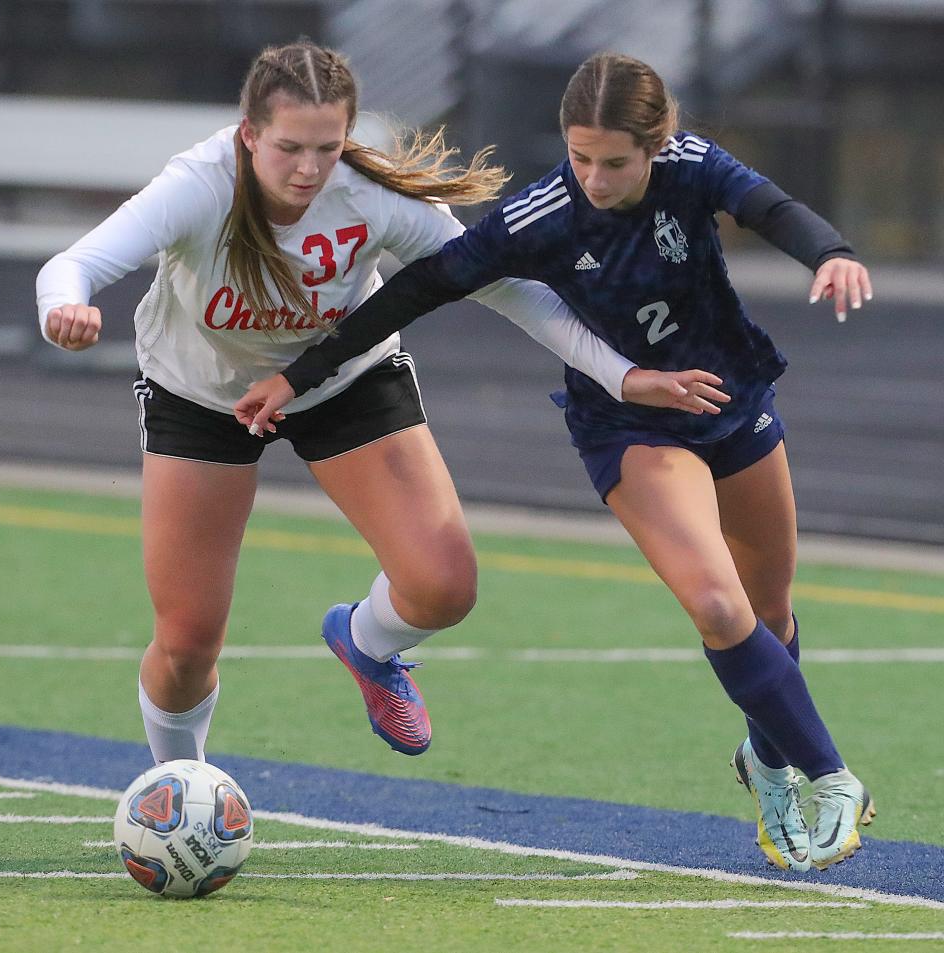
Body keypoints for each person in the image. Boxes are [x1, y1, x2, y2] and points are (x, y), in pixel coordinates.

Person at [234, 52, 879, 873]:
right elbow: (418, 289)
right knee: (719, 607)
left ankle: (769, 762)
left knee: (770, 613)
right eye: (580, 157)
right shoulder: (542, 215)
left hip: (728, 396)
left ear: (656, 146)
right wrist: (298, 374)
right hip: (630, 423)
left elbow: (771, 207)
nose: (595, 179)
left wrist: (830, 251)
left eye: (615, 162)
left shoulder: (692, 167)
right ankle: (831, 778)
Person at [35, 41, 726, 768]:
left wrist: (624, 376)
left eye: (328, 147)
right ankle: (178, 785)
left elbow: (502, 285)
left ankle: (366, 643)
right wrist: (66, 308)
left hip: (344, 381)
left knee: (444, 585)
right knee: (185, 644)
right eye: (288, 147)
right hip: (202, 396)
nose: (308, 168)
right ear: (249, 135)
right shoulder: (199, 186)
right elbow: (72, 265)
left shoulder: (370, 196)